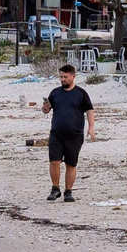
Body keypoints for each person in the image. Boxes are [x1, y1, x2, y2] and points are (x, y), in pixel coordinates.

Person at [40, 63, 95, 203]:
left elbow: (89, 110)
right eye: (61, 77)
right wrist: (45, 107)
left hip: (75, 134)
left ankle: (68, 191)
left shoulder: (81, 94)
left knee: (71, 164)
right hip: (56, 133)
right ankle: (55, 189)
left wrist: (91, 127)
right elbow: (46, 110)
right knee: (54, 161)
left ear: (73, 76)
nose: (62, 79)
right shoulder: (55, 92)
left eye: (65, 77)